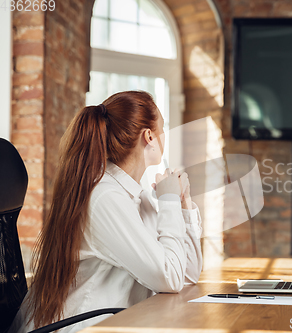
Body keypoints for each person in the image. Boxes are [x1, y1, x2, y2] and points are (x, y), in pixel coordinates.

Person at [9, 90, 203, 333]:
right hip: (78, 327)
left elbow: (186, 275)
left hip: (111, 324)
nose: (166, 136)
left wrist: (183, 204)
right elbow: (171, 278)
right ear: (149, 137)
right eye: (163, 128)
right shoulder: (105, 198)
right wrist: (170, 200)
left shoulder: (136, 196)